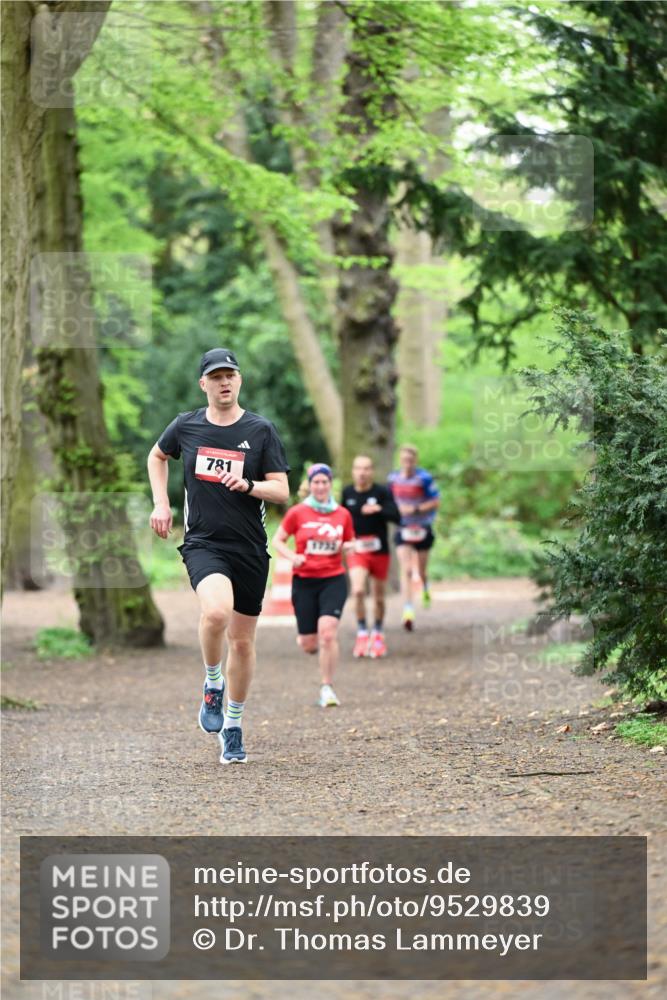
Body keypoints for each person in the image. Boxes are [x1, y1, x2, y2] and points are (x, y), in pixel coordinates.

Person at [147, 348, 290, 765]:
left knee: (243, 644)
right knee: (215, 614)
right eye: (216, 376)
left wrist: (249, 485)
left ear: (239, 381)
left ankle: (232, 726)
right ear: (204, 384)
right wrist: (161, 503)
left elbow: (281, 490)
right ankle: (212, 682)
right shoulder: (186, 425)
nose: (224, 382)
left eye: (231, 375)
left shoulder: (260, 430)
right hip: (204, 544)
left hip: (249, 549)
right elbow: (157, 456)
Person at [272, 463, 354, 707]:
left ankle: (327, 687)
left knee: (328, 633)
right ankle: (316, 648)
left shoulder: (342, 514)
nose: (320, 486)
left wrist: (349, 547)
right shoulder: (297, 513)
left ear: (330, 485)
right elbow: (277, 541)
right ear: (310, 486)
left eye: (324, 482)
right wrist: (292, 557)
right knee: (309, 644)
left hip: (333, 579)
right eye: (316, 482)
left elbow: (350, 541)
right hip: (305, 581)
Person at [341, 455, 400, 659]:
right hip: (357, 550)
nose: (362, 473)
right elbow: (341, 518)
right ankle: (362, 632)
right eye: (358, 468)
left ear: (372, 472)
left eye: (366, 469)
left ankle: (377, 632)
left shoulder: (382, 492)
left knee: (378, 597)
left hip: (379, 550)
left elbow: (397, 515)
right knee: (357, 590)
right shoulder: (347, 493)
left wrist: (379, 509)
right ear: (353, 471)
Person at [388, 444, 440, 631]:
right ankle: (408, 609)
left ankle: (425, 587)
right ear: (400, 460)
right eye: (404, 460)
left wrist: (416, 509)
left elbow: (436, 501)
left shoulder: (424, 478)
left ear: (415, 461)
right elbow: (389, 500)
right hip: (403, 528)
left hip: (423, 527)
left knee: (421, 570)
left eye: (410, 460)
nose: (407, 463)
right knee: (407, 569)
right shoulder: (393, 478)